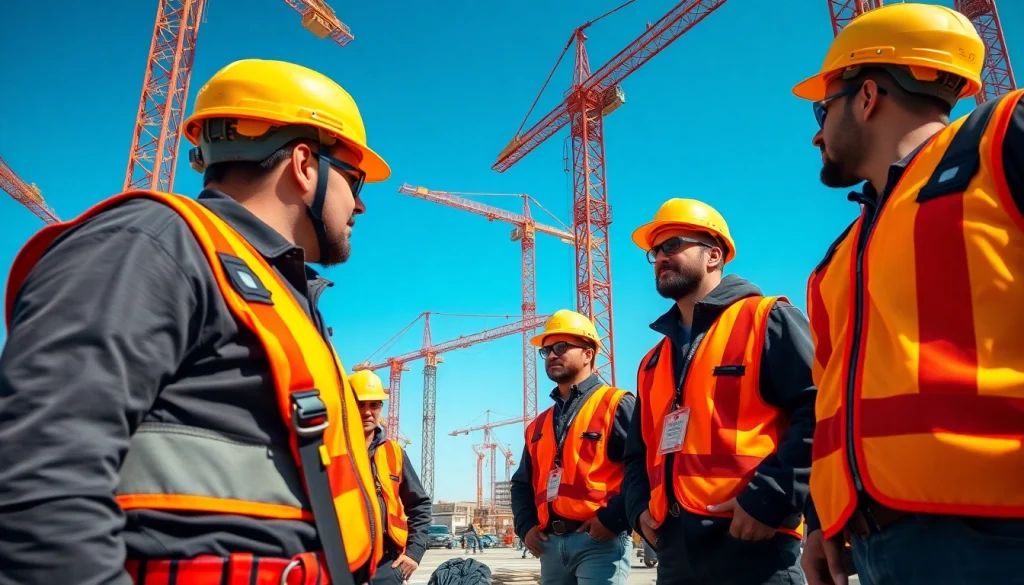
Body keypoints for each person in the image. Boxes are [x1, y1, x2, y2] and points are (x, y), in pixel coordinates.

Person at [0, 58, 391, 585]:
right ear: (304, 164)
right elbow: (38, 481)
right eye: (355, 180)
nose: (361, 206)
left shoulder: (270, 291)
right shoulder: (152, 243)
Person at [791, 4, 1024, 585]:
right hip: (872, 539)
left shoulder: (1003, 141)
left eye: (823, 109)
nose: (817, 133)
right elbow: (829, 404)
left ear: (867, 96)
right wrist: (822, 518)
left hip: (996, 535)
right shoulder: (838, 260)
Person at [622, 198, 818, 585]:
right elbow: (637, 454)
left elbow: (821, 410)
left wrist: (770, 498)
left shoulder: (766, 319)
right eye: (655, 251)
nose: (660, 256)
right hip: (674, 548)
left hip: (752, 539)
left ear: (713, 255)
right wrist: (637, 510)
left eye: (673, 244)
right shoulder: (652, 362)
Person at [510, 310, 636, 585]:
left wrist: (613, 519)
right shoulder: (538, 425)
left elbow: (643, 467)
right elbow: (521, 484)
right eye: (547, 351)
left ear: (588, 354)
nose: (552, 355)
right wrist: (526, 527)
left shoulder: (616, 404)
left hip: (599, 541)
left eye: (561, 347)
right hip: (550, 545)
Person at [349, 370, 433, 585]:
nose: (367, 412)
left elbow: (420, 504)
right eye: (360, 404)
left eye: (374, 405)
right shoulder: (331, 449)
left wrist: (414, 553)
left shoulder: (393, 452)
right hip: (342, 562)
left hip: (387, 565)